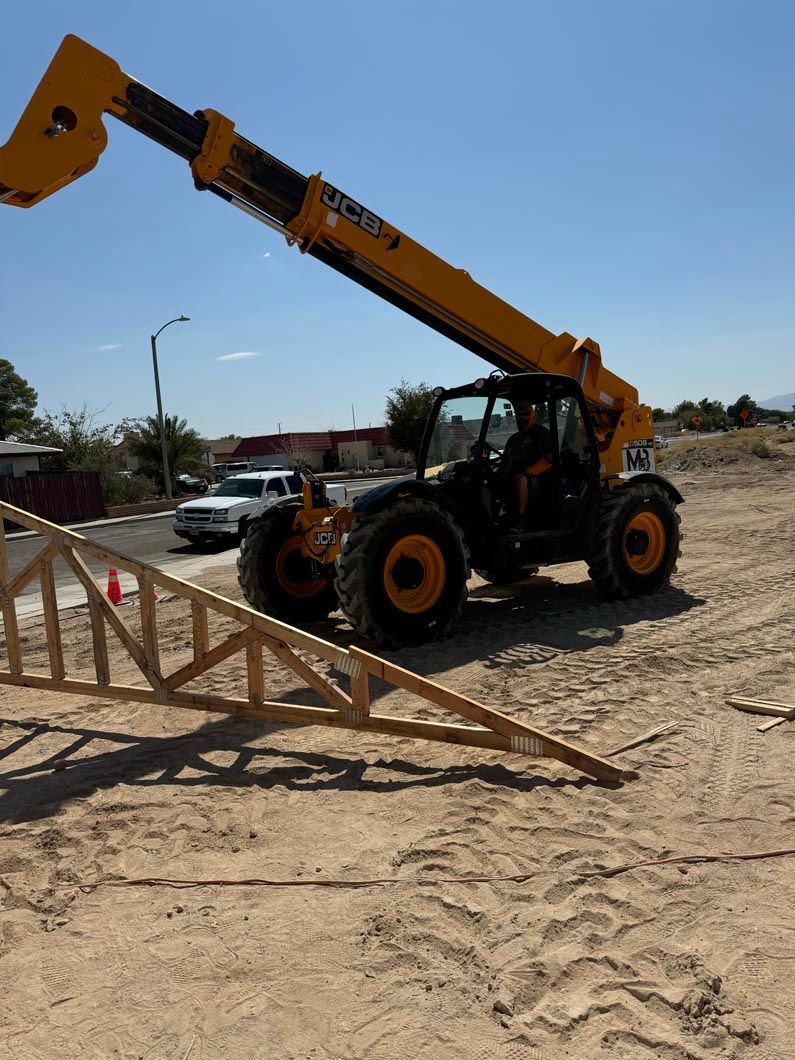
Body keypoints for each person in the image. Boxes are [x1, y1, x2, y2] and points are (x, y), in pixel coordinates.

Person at [499, 401, 552, 531]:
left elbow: (549, 459)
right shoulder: (513, 439)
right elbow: (504, 462)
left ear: (532, 415)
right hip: (513, 474)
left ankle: (520, 521)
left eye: (525, 415)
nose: (521, 418)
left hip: (536, 478)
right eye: (519, 415)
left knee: (520, 479)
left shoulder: (542, 434)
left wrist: (528, 472)